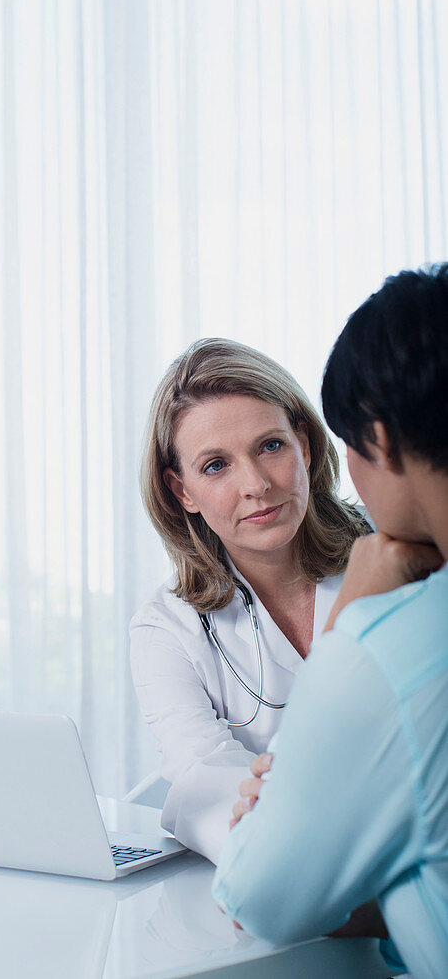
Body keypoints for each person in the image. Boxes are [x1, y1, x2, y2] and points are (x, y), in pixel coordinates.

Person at [212, 265, 448, 979]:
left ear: (371, 436)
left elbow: (260, 898)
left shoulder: (383, 654)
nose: (253, 482)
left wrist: (349, 625)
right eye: (216, 464)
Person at [129, 338, 369, 863]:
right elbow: (204, 783)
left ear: (303, 445)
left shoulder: (394, 555)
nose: (256, 485)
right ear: (181, 490)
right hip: (290, 868)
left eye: (270, 446)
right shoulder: (166, 629)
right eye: (216, 466)